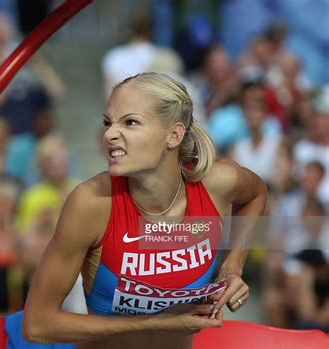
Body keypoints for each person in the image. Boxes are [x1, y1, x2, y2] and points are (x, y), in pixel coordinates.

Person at [15, 72, 267, 349]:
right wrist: (162, 322)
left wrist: (233, 265)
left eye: (130, 122)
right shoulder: (92, 203)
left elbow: (256, 194)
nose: (109, 134)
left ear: (174, 135)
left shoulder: (218, 182)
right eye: (108, 123)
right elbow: (37, 323)